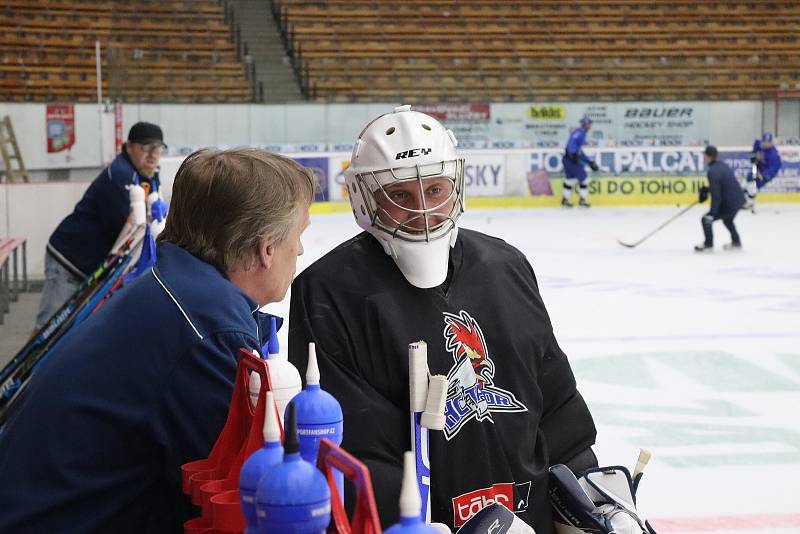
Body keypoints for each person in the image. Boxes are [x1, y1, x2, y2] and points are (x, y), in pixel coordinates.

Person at [288, 106, 597, 532]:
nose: (423, 212)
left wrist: (587, 494)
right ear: (365, 199)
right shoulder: (328, 291)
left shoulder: (507, 266)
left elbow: (558, 407)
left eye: (435, 190)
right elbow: (354, 448)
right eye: (400, 196)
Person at [0, 149, 315, 533]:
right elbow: (239, 499)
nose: (299, 250)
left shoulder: (176, 289)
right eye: (298, 236)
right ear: (266, 249)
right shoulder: (208, 331)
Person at [35, 122, 167, 329]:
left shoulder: (149, 175)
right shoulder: (122, 175)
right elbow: (131, 232)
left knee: (69, 334)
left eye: (157, 148)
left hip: (91, 268)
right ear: (129, 146)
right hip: (69, 260)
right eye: (145, 147)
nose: (152, 155)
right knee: (49, 330)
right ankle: (31, 363)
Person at [695, 145, 745, 252]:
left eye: (704, 155)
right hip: (738, 200)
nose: (703, 157)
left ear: (708, 157)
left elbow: (716, 195)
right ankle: (736, 242)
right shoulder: (722, 165)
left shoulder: (712, 172)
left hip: (730, 203)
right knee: (728, 220)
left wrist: (712, 213)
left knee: (706, 219)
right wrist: (707, 191)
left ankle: (708, 244)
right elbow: (721, 186)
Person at [561, 116, 599, 208]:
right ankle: (582, 201)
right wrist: (573, 155)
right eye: (588, 124)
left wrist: (589, 162)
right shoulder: (581, 133)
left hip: (567, 160)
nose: (589, 126)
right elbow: (572, 147)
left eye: (590, 124)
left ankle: (565, 201)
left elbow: (578, 150)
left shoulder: (576, 131)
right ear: (584, 124)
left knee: (569, 181)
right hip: (571, 161)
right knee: (585, 180)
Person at [744, 132, 782, 211]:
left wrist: (763, 175)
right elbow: (756, 145)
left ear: (771, 142)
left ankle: (750, 203)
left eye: (768, 142)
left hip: (767, 175)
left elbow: (774, 168)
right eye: (765, 141)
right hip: (758, 169)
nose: (766, 144)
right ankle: (746, 200)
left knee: (754, 187)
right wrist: (753, 154)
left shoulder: (773, 154)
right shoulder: (760, 145)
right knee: (746, 182)